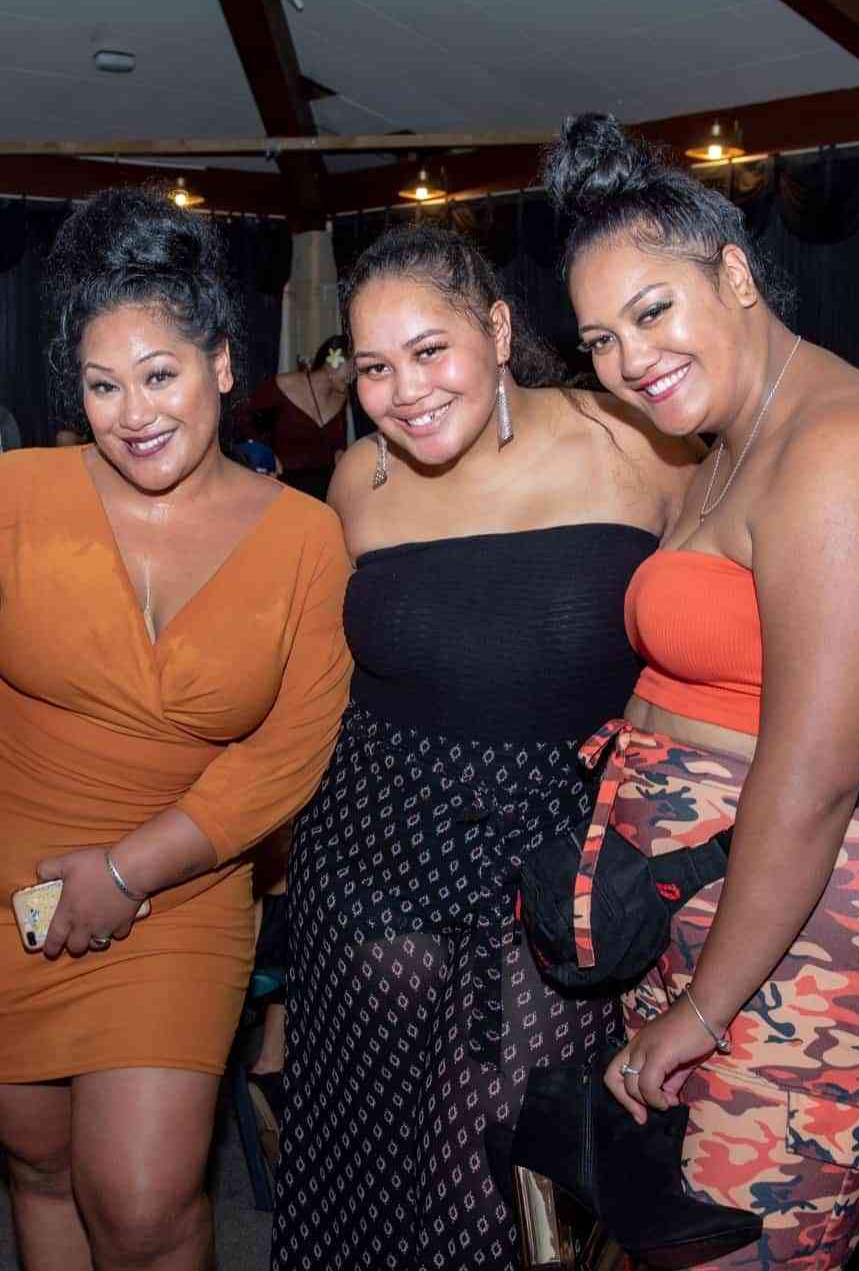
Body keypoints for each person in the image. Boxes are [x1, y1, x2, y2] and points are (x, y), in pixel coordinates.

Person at [542, 113, 859, 1271]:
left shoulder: (849, 446)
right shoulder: (721, 443)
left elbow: (815, 775)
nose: (630, 360)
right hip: (719, 910)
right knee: (673, 1233)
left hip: (817, 938)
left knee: (743, 1250)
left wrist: (700, 1011)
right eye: (600, 340)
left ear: (733, 275)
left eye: (653, 312)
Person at [271, 222, 699, 1271]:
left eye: (431, 351)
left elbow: (735, 599)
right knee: (365, 1178)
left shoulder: (636, 444)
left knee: (501, 1193)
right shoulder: (360, 480)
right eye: (374, 367)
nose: (404, 392)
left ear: (499, 330)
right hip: (368, 870)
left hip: (550, 876)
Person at [0, 186, 351, 1271]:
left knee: (141, 1202)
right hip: (1, 894)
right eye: (102, 385)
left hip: (181, 887)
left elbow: (292, 750)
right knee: (41, 1170)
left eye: (158, 375)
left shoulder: (305, 536)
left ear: (222, 366)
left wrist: (129, 870)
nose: (132, 413)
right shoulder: (10, 493)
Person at [234, 333, 353, 499]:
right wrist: (264, 453)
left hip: (325, 492)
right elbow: (241, 415)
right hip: (284, 487)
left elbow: (338, 444)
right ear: (333, 363)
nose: (354, 375)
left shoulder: (342, 396)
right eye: (353, 366)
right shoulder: (284, 385)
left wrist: (342, 457)